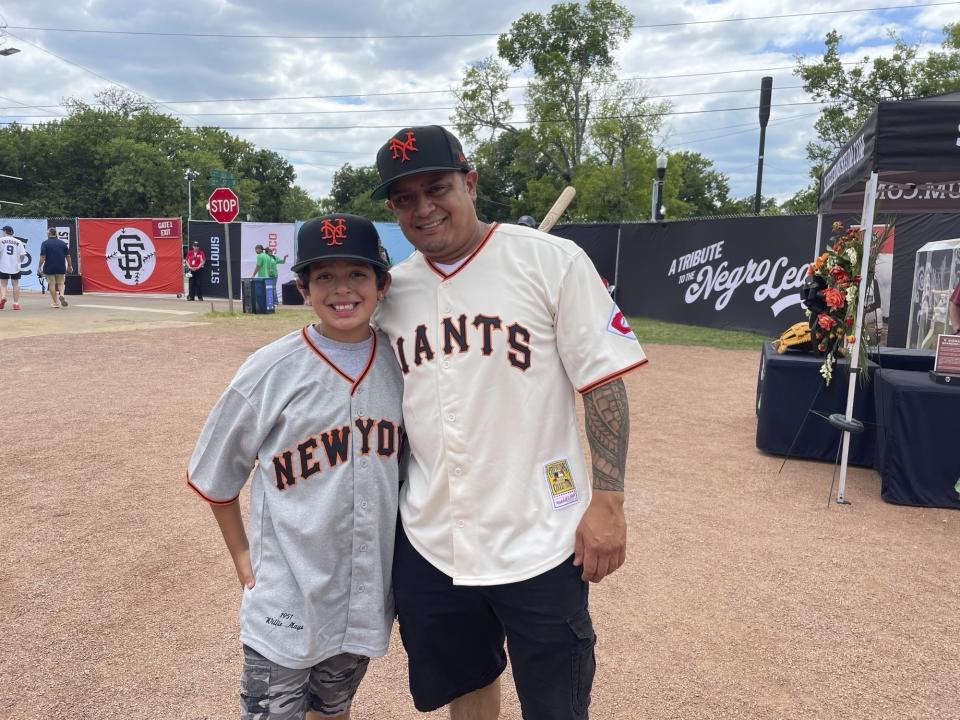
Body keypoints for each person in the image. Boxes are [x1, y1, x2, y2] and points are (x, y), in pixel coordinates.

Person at [371, 125, 648, 720]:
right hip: (433, 535)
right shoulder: (392, 295)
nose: (423, 208)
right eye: (404, 198)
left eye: (437, 187)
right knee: (466, 685)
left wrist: (610, 503)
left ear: (470, 183)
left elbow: (604, 381)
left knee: (557, 702)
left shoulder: (550, 260)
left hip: (541, 535)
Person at [187, 213, 403, 720]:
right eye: (324, 276)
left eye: (357, 274)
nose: (342, 289)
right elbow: (216, 475)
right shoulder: (271, 367)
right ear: (303, 287)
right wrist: (242, 554)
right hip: (286, 598)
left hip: (363, 595)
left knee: (332, 711)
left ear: (382, 284)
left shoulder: (400, 364)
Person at [38, 227, 73, 309]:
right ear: (56, 233)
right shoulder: (63, 243)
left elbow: (43, 256)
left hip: (49, 267)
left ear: (49, 234)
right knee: (61, 283)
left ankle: (55, 302)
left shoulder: (45, 243)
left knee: (51, 284)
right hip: (61, 267)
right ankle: (61, 295)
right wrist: (70, 265)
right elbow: (68, 256)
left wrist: (39, 267)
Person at [0, 225, 27, 310]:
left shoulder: (1, 240)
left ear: (5, 231)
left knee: (3, 284)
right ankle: (16, 303)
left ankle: (3, 296)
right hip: (15, 266)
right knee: (15, 284)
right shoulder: (18, 241)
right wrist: (19, 262)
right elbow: (23, 255)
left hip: (3, 265)